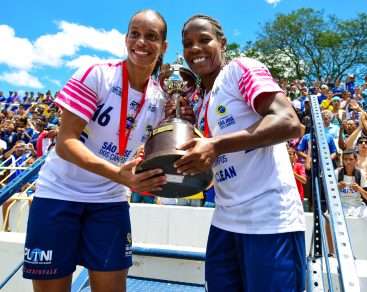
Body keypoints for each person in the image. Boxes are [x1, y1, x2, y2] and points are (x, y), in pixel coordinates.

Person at [22, 9, 173, 292]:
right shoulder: (97, 75)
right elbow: (66, 143)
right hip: (59, 194)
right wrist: (119, 174)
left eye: (151, 37)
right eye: (135, 34)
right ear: (126, 38)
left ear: (164, 46)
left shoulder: (161, 99)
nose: (141, 42)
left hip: (109, 201)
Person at [175, 14, 306, 291]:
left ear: (222, 43)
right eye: (188, 44)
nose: (195, 49)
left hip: (269, 220)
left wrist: (216, 145)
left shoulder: (240, 69)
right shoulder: (201, 102)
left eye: (204, 40)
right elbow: (214, 162)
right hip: (224, 221)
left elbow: (289, 122)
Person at [325, 149, 367, 262]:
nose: (348, 162)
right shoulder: (337, 173)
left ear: (355, 160)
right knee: (327, 217)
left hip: (357, 206)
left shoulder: (361, 173)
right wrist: (336, 188)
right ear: (342, 161)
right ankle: (331, 253)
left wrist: (359, 189)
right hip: (340, 205)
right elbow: (327, 195)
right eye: (345, 159)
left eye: (351, 159)